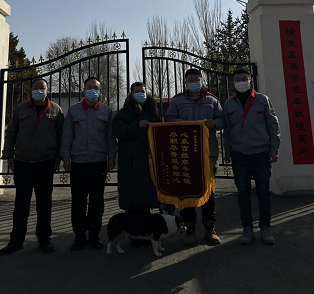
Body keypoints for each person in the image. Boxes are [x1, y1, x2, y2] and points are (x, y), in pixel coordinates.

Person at [0, 78, 64, 255]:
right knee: (21, 203)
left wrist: (59, 157)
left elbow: (61, 136)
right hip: (22, 162)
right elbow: (11, 132)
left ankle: (44, 239)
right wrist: (8, 154)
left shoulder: (56, 110)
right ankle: (16, 240)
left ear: (47, 90)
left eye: (41, 88)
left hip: (45, 162)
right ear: (30, 90)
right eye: (35, 88)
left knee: (44, 203)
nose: (38, 90)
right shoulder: (21, 109)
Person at [165, 68, 225, 246]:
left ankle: (209, 228)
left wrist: (215, 123)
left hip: (208, 154)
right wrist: (186, 124)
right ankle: (189, 229)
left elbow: (223, 120)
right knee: (186, 193)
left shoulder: (212, 100)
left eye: (196, 79)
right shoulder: (177, 100)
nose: (193, 82)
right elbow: (168, 119)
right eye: (190, 80)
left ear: (201, 81)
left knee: (209, 194)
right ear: (185, 82)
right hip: (185, 154)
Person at [223, 68, 280, 245]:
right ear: (233, 83)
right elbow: (227, 130)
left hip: (261, 153)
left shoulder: (262, 100)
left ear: (250, 81)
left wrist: (274, 149)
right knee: (243, 193)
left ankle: (265, 227)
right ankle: (247, 228)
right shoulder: (229, 104)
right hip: (239, 154)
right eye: (237, 79)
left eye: (244, 78)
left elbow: (273, 126)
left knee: (263, 191)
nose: (241, 82)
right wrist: (227, 152)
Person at [60, 77, 117, 251]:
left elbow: (110, 137)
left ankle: (94, 234)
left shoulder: (106, 111)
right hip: (78, 163)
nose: (93, 90)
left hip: (99, 163)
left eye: (96, 88)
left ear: (100, 90)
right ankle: (79, 235)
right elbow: (67, 136)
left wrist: (112, 156)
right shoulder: (73, 111)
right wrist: (66, 158)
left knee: (96, 201)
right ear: (84, 90)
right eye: (89, 87)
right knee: (78, 200)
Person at [113, 82, 160, 246]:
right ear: (131, 94)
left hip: (148, 161)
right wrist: (136, 126)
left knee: (145, 200)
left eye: (143, 91)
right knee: (132, 202)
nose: (140, 93)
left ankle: (145, 233)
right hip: (130, 162)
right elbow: (118, 131)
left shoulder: (152, 111)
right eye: (136, 91)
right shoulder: (124, 112)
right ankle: (133, 235)